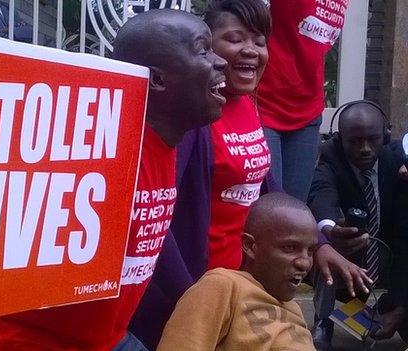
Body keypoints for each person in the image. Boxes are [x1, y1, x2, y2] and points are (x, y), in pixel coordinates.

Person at [0, 9, 228, 350]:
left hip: (105, 340)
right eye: (203, 50)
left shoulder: (172, 140)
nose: (220, 61)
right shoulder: (84, 145)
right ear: (158, 79)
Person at [130, 2, 368, 349]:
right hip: (194, 297)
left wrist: (320, 246)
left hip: (237, 292)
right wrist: (197, 298)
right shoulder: (194, 115)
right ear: (207, 49)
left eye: (259, 41)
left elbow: (269, 190)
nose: (251, 51)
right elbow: (157, 224)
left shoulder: (246, 105)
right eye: (235, 39)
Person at [157, 192, 317, 350]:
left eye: (310, 250)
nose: (304, 263)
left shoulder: (293, 308)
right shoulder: (223, 286)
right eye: (289, 248)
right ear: (249, 246)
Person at [308, 100, 408, 349]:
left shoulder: (399, 161)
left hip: (395, 257)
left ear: (385, 136)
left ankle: (393, 306)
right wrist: (329, 228)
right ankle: (322, 319)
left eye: (372, 139)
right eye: (354, 141)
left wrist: (401, 310)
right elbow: (321, 192)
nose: (364, 148)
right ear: (340, 138)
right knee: (325, 246)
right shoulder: (329, 156)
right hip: (350, 258)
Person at [257, 0, 349, 202]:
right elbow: (246, 24)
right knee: (269, 210)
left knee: (294, 214)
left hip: (307, 108)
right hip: (263, 104)